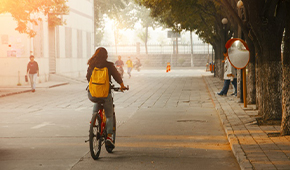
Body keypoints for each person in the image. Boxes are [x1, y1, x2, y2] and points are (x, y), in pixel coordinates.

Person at [86, 47, 126, 148]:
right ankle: (109, 137)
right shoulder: (109, 65)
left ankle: (93, 121)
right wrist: (122, 85)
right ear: (106, 56)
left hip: (92, 94)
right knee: (109, 116)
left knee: (96, 100)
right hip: (105, 93)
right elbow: (117, 76)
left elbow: (87, 77)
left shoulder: (91, 65)